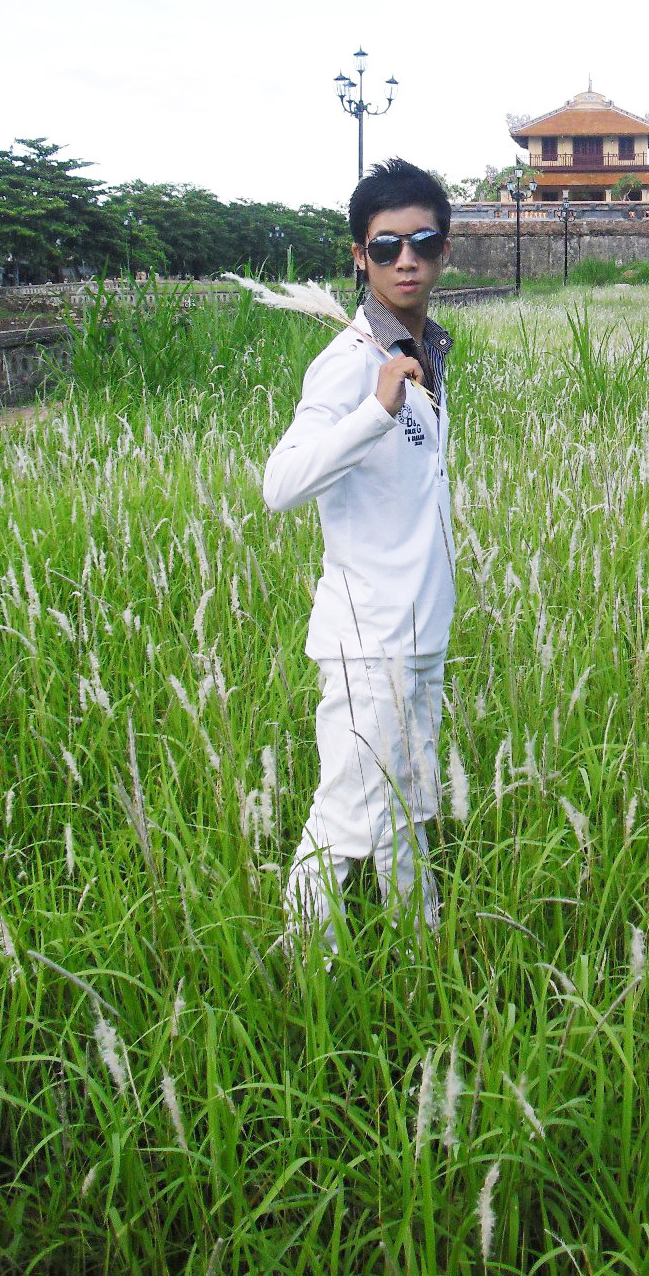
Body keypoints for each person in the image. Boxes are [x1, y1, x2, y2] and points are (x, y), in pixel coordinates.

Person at [262, 158, 456, 950]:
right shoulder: (348, 364)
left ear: (445, 251)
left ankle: (423, 952)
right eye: (385, 247)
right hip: (368, 640)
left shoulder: (428, 349)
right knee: (346, 819)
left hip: (419, 633)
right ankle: (304, 977)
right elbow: (280, 483)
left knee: (407, 806)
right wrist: (375, 410)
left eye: (423, 242)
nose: (406, 260)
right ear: (360, 257)